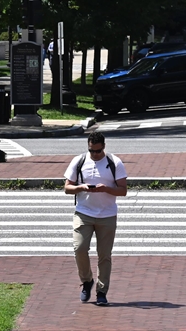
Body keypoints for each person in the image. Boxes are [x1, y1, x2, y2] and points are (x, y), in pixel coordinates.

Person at [64, 132, 128, 307]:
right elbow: (67, 188)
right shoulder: (79, 161)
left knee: (104, 256)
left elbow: (123, 190)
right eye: (92, 151)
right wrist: (80, 187)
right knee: (79, 248)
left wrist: (106, 189)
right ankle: (87, 281)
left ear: (104, 147)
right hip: (83, 213)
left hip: (107, 215)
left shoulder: (114, 163)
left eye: (98, 151)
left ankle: (101, 292)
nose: (95, 154)